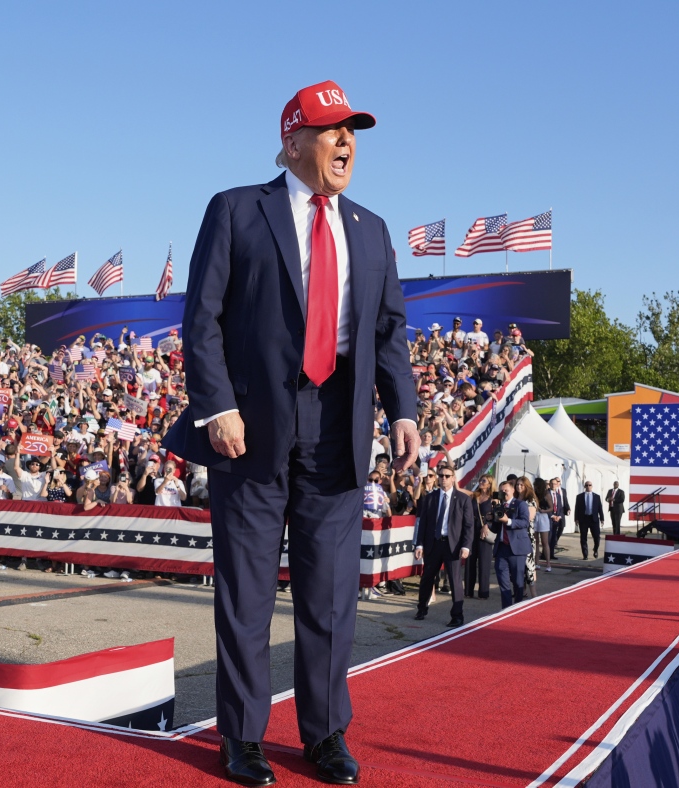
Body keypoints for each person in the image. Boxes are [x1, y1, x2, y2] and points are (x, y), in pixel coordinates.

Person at [161, 80, 418, 786]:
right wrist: (217, 407)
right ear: (293, 140)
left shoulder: (371, 229)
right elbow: (201, 317)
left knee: (331, 596)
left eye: (353, 133)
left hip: (338, 429)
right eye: (333, 130)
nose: (346, 143)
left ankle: (326, 734)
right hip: (250, 430)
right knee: (245, 595)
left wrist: (403, 412)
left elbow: (390, 332)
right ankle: (241, 738)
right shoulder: (239, 209)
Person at [412, 463, 476, 627]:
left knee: (455, 581)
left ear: (453, 478)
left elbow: (469, 525)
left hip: (452, 545)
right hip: (433, 544)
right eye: (441, 476)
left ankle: (457, 615)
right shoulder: (430, 498)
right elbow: (423, 523)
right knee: (427, 578)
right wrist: (419, 544)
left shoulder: (463, 499)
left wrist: (466, 546)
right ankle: (421, 608)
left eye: (447, 476)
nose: (444, 479)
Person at [490, 479, 534, 608]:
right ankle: (506, 608)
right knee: (502, 579)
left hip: (516, 548)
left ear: (513, 490)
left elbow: (525, 522)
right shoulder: (498, 506)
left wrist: (508, 521)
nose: (503, 493)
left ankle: (518, 606)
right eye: (501, 491)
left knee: (517, 580)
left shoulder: (520, 504)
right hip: (502, 547)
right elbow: (496, 529)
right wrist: (490, 521)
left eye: (506, 491)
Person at [464, 477, 497, 600]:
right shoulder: (474, 495)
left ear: (489, 484)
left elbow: (496, 516)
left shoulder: (494, 498)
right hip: (472, 530)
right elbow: (458, 490)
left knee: (484, 562)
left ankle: (483, 592)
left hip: (485, 531)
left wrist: (487, 526)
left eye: (483, 481)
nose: (480, 482)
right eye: (480, 480)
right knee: (470, 561)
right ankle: (468, 591)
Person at [575, 481, 604, 560]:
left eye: (590, 485)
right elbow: (577, 508)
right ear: (584, 486)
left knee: (597, 536)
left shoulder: (596, 496)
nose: (588, 486)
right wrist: (576, 519)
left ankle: (595, 549)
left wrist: (602, 518)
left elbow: (600, 508)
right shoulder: (580, 496)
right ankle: (585, 554)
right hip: (583, 519)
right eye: (587, 485)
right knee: (583, 537)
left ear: (592, 486)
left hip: (593, 519)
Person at [546, 477, 569, 558]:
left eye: (555, 484)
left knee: (553, 537)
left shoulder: (558, 495)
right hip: (548, 518)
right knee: (548, 537)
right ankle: (546, 554)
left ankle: (551, 554)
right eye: (552, 484)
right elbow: (545, 507)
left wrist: (559, 516)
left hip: (556, 518)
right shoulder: (546, 494)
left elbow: (559, 506)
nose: (553, 485)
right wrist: (552, 516)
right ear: (549, 485)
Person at [533, 480, 553, 573]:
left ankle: (548, 563)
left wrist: (544, 511)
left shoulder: (546, 494)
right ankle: (537, 562)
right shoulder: (533, 494)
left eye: (536, 485)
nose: (535, 487)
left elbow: (551, 507)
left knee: (545, 542)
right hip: (535, 516)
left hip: (543, 516)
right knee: (535, 541)